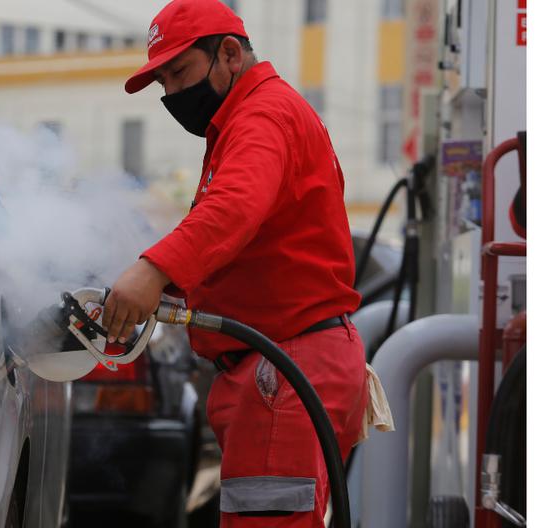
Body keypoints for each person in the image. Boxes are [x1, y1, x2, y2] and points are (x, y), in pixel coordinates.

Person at [101, 1, 368, 526]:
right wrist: (160, 286)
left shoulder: (262, 115)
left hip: (284, 370)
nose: (172, 94)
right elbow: (246, 248)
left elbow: (234, 209)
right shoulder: (252, 117)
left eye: (179, 73)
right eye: (163, 83)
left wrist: (153, 271)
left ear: (228, 53)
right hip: (286, 367)